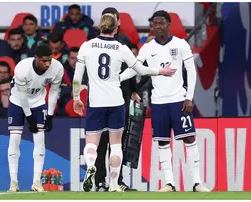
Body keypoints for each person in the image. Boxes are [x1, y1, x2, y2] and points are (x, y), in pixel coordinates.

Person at [72, 13, 176, 192]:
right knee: (116, 144)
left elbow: (76, 77)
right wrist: (161, 71)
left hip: (96, 101)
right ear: (116, 28)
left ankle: (91, 166)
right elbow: (140, 69)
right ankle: (113, 184)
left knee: (91, 143)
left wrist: (76, 98)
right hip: (115, 100)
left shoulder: (86, 46)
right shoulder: (121, 48)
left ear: (99, 26)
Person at [120, 10, 210, 192]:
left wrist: (188, 97)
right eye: (155, 23)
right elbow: (135, 68)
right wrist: (117, 78)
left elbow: (191, 71)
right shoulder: (147, 48)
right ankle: (169, 183)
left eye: (161, 22)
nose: (158, 26)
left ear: (169, 24)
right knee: (162, 142)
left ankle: (197, 182)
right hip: (159, 102)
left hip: (179, 100)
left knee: (189, 138)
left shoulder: (181, 44)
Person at [93, 7, 139, 192]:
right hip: (101, 96)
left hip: (122, 96)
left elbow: (133, 67)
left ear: (119, 22)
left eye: (114, 18)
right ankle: (100, 181)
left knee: (118, 140)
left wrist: (134, 90)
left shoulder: (125, 41)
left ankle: (117, 180)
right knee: (101, 141)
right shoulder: (94, 43)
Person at [7, 43, 64, 192]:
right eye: (44, 60)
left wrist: (50, 114)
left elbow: (54, 91)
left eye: (50, 60)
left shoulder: (57, 68)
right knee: (14, 139)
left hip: (38, 103)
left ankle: (37, 182)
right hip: (18, 102)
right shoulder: (22, 68)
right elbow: (23, 95)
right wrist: (29, 116)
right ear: (36, 58)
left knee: (40, 139)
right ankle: (13, 182)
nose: (48, 64)